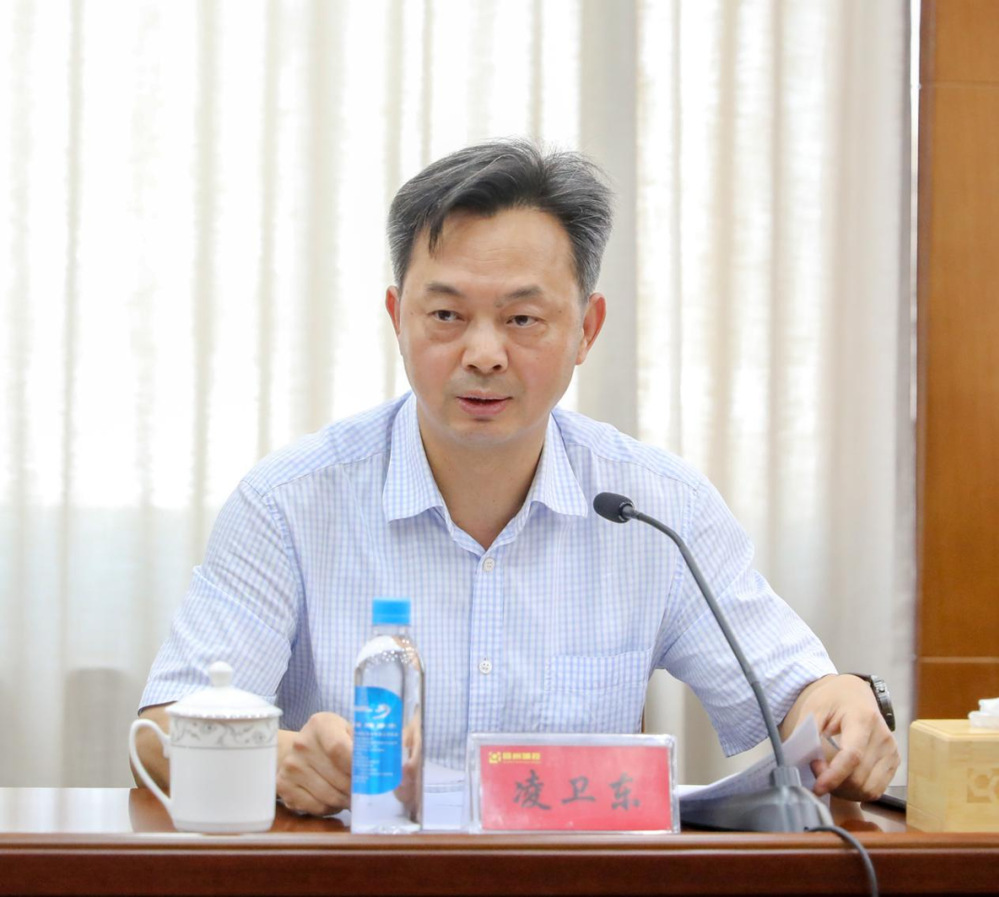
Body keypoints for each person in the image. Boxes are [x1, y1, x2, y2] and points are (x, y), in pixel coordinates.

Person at [135, 139, 900, 816]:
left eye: (522, 319)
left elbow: (797, 698)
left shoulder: (655, 508)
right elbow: (158, 733)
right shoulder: (289, 503)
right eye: (446, 316)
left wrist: (841, 706)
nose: (483, 354)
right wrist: (275, 757)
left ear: (585, 329)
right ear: (397, 317)